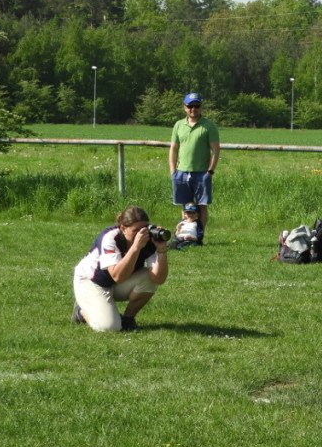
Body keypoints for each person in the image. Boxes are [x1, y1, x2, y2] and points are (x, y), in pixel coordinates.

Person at [72, 206, 169, 332]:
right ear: (123, 228)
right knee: (109, 327)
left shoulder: (149, 239)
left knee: (149, 279)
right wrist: (136, 247)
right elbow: (118, 276)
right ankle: (81, 311)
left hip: (114, 283)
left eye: (144, 228)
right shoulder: (110, 237)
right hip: (91, 281)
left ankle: (128, 319)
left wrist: (161, 250)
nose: (141, 234)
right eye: (136, 230)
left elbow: (158, 279)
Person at [169, 92, 220, 245]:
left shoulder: (209, 126)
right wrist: (173, 170)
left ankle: (198, 236)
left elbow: (216, 150)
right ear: (184, 107)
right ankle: (184, 234)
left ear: (201, 107)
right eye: (190, 106)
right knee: (185, 205)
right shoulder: (178, 125)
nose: (193, 109)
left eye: (196, 106)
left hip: (201, 173)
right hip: (182, 172)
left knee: (202, 205)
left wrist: (210, 171)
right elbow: (173, 149)